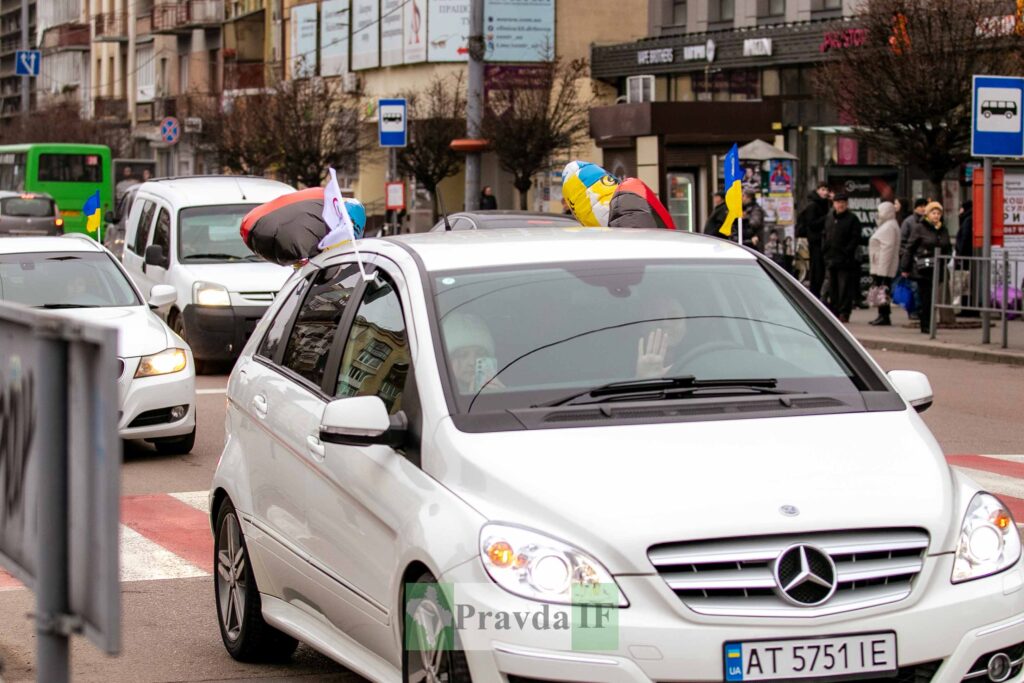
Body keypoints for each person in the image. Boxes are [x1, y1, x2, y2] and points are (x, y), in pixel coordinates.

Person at [901, 201, 951, 333]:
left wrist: (947, 258)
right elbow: (910, 248)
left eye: (938, 213)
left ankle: (930, 323)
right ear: (928, 214)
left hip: (938, 267)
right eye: (933, 213)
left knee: (934, 297)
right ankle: (926, 324)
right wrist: (905, 267)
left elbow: (947, 246)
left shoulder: (943, 229)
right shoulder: (919, 228)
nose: (936, 216)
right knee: (926, 297)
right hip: (924, 268)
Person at [823, 193, 862, 322]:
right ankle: (834, 310)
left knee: (844, 287)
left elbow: (855, 238)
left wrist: (847, 251)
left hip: (845, 260)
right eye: (838, 202)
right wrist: (826, 251)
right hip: (831, 258)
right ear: (834, 204)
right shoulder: (830, 218)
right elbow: (826, 235)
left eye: (843, 202)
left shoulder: (852, 219)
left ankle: (844, 312)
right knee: (833, 287)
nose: (840, 205)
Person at [442, 312, 502, 393]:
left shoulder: (505, 392)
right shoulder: (436, 396)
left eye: (480, 354)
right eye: (462, 355)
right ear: (447, 359)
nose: (472, 362)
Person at [635, 295, 688, 379]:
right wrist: (642, 380)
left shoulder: (702, 360)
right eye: (656, 317)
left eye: (674, 316)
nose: (665, 323)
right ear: (642, 326)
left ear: (686, 325)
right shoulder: (617, 367)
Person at [868, 201, 901, 326]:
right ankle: (882, 314)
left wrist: (883, 270)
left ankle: (884, 315)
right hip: (880, 265)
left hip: (882, 267)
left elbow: (887, 250)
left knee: (883, 291)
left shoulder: (889, 227)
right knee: (881, 291)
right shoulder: (887, 225)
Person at [796, 182, 831, 298]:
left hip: (821, 240)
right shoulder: (813, 205)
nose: (825, 192)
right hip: (815, 241)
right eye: (822, 189)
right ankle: (815, 293)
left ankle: (818, 293)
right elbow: (812, 223)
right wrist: (826, 218)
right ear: (817, 190)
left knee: (820, 269)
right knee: (817, 269)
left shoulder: (824, 204)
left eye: (826, 190)